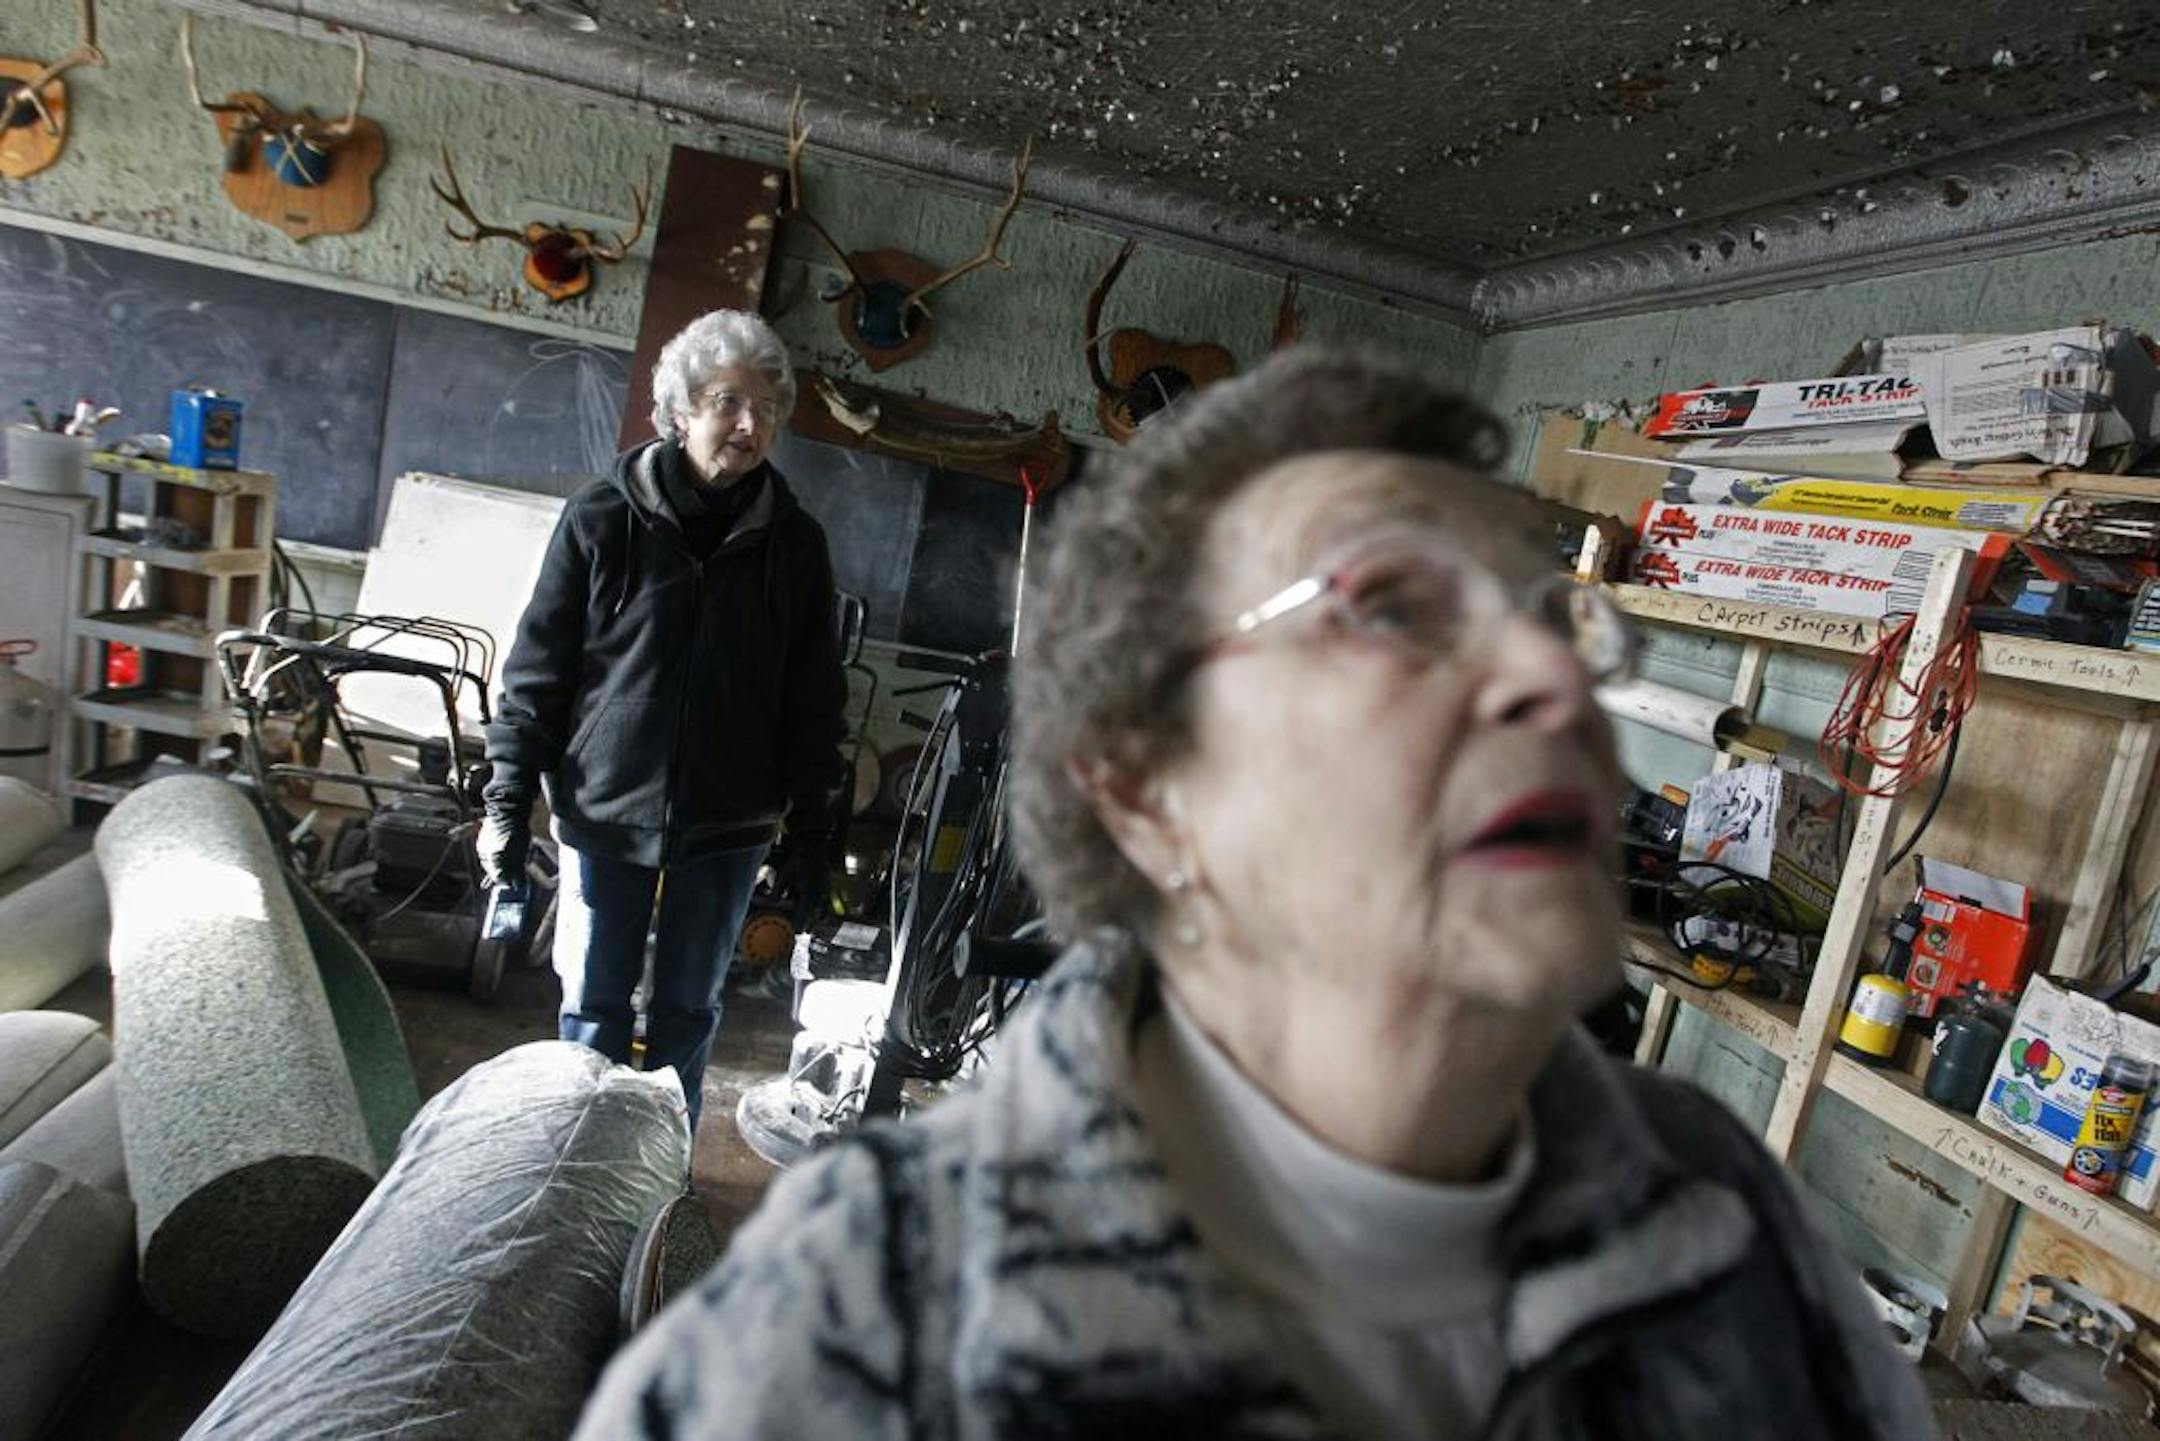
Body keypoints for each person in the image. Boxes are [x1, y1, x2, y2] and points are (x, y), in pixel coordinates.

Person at [574, 349, 1932, 1438]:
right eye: (1397, 608)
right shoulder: (852, 1331)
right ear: (1150, 785)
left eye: (1548, 611)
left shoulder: (1720, 1212)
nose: (1544, 680)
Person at [478, 309, 847, 1135]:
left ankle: (655, 1175)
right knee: (594, 1008)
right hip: (604, 809)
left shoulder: (795, 546)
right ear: (682, 411)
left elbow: (814, 698)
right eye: (727, 402)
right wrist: (506, 801)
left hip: (729, 820)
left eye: (765, 410)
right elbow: (539, 671)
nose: (749, 425)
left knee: (687, 1009)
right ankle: (573, 1167)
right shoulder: (601, 517)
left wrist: (814, 829)